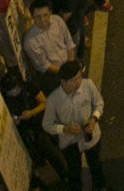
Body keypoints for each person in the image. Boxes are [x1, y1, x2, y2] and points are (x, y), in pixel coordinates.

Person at [44, 61, 108, 191]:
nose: (79, 82)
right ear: (63, 81)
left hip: (91, 135)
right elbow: (47, 125)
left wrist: (94, 119)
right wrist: (64, 129)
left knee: (96, 165)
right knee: (74, 171)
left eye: (79, 77)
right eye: (74, 80)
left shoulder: (88, 85)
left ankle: (101, 186)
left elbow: (99, 103)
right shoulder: (53, 100)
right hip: (69, 142)